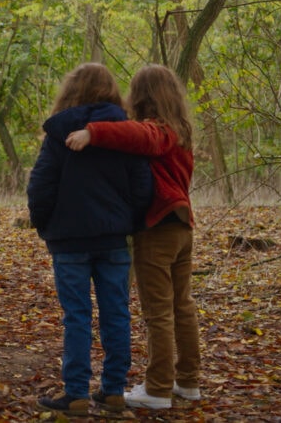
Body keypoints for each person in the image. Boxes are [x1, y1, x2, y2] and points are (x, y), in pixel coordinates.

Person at [65, 63, 201, 410]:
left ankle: (157, 389)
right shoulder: (180, 130)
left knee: (159, 311)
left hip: (159, 229)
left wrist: (93, 132)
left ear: (142, 96)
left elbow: (140, 136)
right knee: (181, 307)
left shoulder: (159, 130)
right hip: (182, 226)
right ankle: (187, 382)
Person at [28, 63, 152, 416]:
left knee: (77, 316)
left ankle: (77, 393)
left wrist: (45, 225)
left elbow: (40, 187)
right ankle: (113, 390)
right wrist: (129, 221)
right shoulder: (125, 134)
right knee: (116, 312)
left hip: (69, 240)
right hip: (113, 239)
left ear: (70, 91)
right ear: (112, 93)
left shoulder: (59, 135)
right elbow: (142, 186)